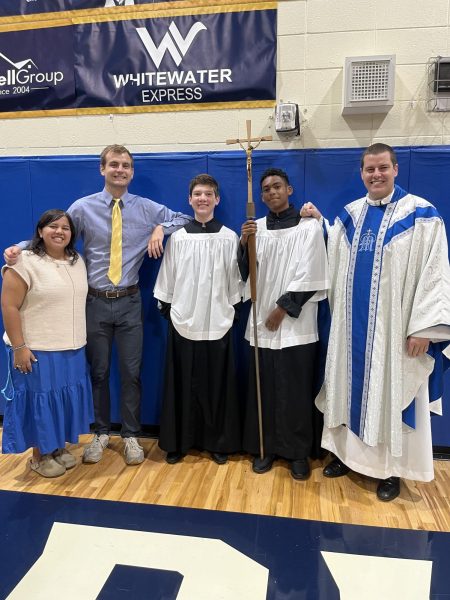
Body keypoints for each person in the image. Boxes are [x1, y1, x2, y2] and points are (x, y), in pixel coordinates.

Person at [3, 144, 191, 466]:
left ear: (132, 172)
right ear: (102, 169)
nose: (120, 170)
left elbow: (184, 217)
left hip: (130, 300)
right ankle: (102, 433)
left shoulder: (146, 208)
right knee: (99, 372)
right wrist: (18, 248)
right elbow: (56, 231)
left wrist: (162, 227)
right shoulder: (83, 207)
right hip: (95, 303)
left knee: (132, 372)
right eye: (114, 164)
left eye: (126, 165)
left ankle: (130, 435)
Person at [301, 143, 450, 501]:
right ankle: (345, 456)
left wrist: (425, 329)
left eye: (383, 167)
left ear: (395, 169)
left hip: (395, 335)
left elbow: (436, 273)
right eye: (370, 169)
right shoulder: (351, 215)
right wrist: (320, 222)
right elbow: (334, 248)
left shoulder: (422, 215)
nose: (376, 175)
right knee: (345, 388)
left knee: (391, 394)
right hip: (351, 332)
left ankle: (392, 471)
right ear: (362, 173)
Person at [238, 168, 329, 480]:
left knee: (294, 390)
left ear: (289, 190)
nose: (271, 192)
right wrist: (243, 243)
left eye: (277, 186)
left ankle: (297, 452)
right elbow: (245, 274)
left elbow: (313, 271)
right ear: (261, 196)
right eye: (266, 189)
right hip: (261, 323)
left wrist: (282, 308)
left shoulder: (308, 228)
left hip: (295, 323)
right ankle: (265, 448)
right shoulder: (257, 228)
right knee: (264, 387)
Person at [153, 174, 241, 464]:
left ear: (217, 199)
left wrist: (230, 309)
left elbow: (234, 281)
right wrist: (169, 309)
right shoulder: (178, 238)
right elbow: (168, 278)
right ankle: (180, 441)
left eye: (208, 194)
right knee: (182, 384)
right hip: (184, 320)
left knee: (216, 384)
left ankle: (217, 442)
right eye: (197, 194)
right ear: (190, 200)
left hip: (218, 321)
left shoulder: (230, 237)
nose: (203, 198)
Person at [1, 209, 93, 477]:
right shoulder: (23, 261)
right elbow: (8, 306)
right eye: (53, 226)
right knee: (41, 402)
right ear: (40, 231)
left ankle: (55, 447)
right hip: (38, 348)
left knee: (62, 400)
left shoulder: (77, 261)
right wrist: (19, 347)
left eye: (65, 228)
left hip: (72, 347)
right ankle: (39, 457)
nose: (59, 231)